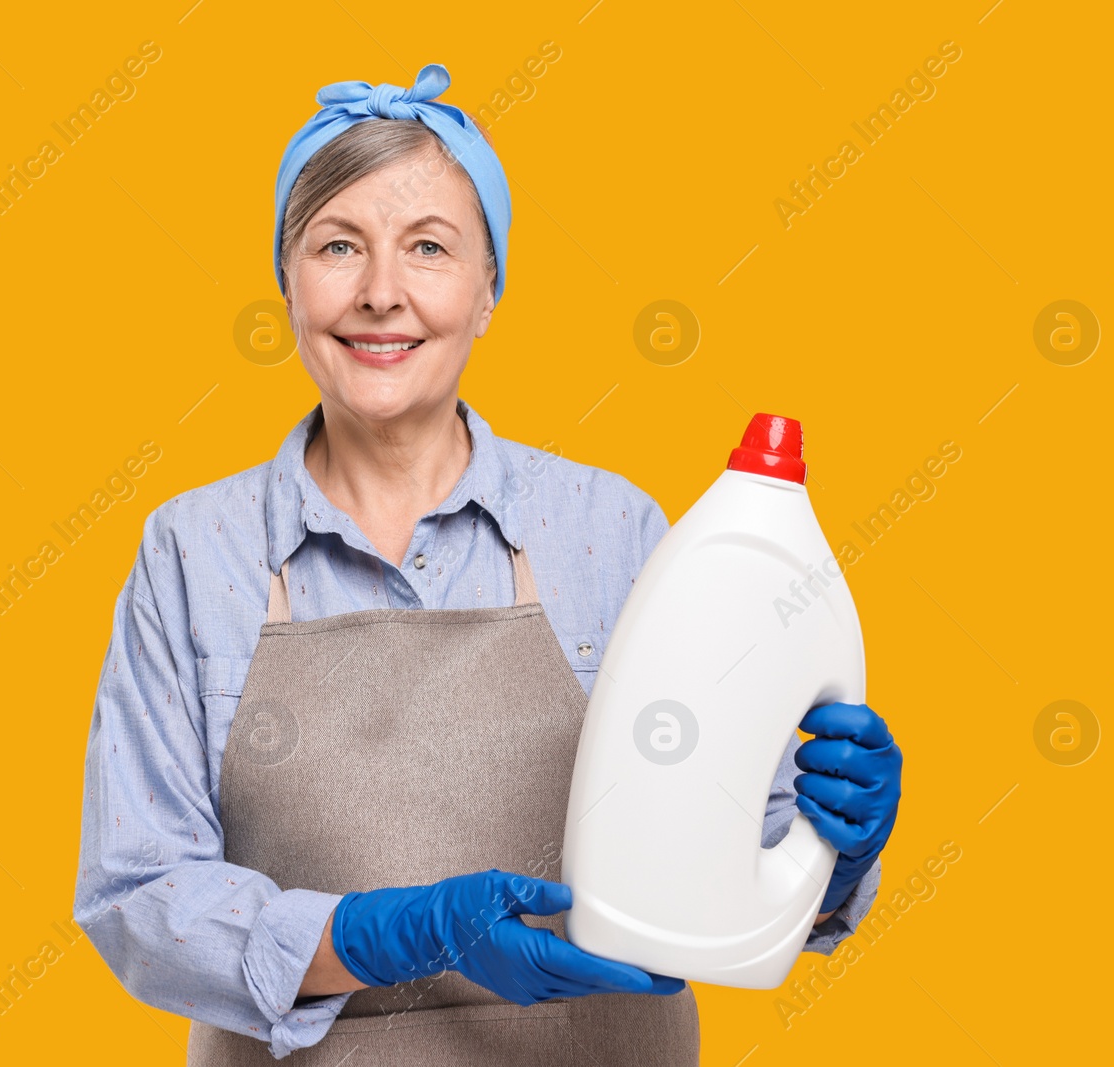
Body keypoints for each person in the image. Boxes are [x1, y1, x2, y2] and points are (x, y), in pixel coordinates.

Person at [73, 63, 902, 1065]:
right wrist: (381, 933)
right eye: (339, 246)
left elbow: (740, 869)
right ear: (287, 281)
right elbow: (136, 895)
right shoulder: (193, 553)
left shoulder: (614, 530)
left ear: (490, 287)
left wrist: (834, 844)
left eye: (428, 247)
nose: (382, 293)